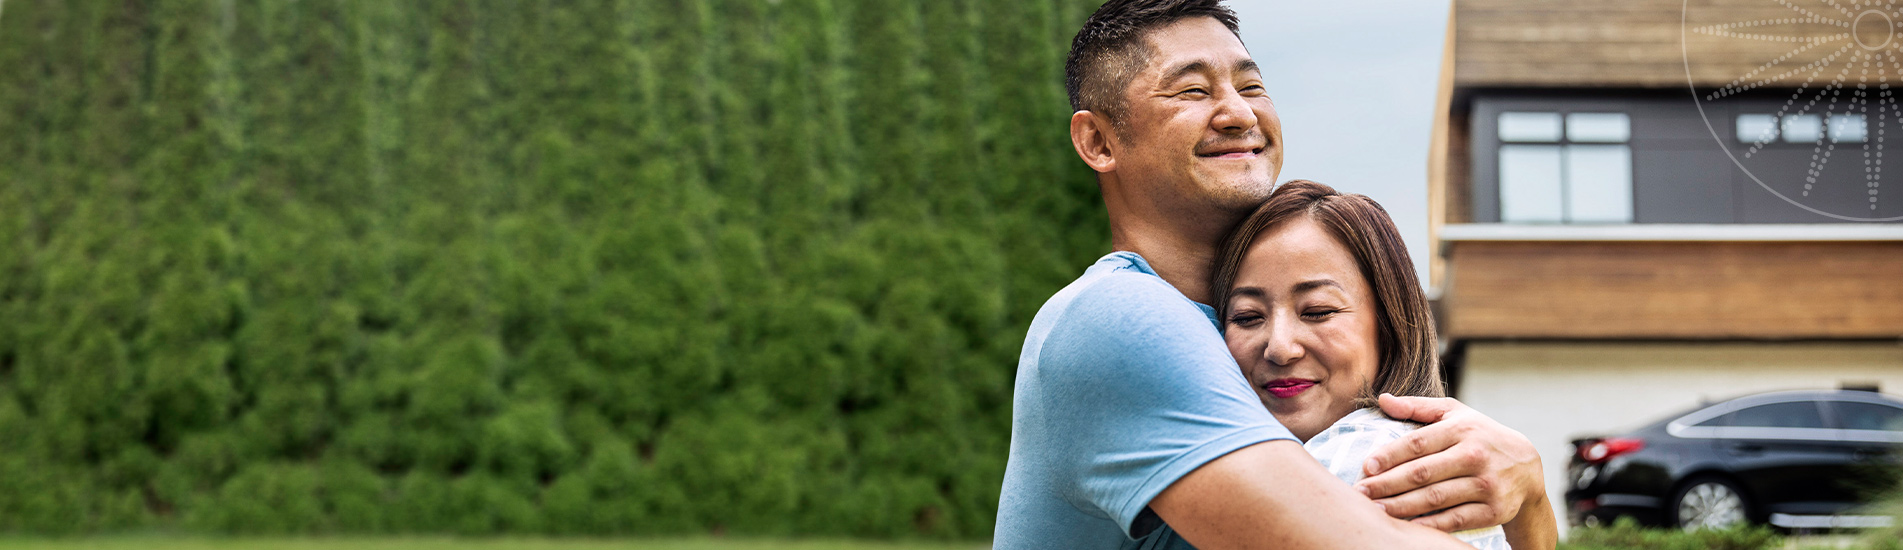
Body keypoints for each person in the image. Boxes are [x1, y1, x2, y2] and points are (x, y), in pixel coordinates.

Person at [994, 1, 1550, 548]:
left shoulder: (1236, 352)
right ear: (1098, 142)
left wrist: (1528, 496)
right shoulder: (1119, 319)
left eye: (1252, 86)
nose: (1239, 114)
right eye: (1191, 90)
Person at [1211, 180, 1556, 550]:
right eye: (1247, 317)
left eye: (1318, 311)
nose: (1280, 348)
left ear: (1388, 325)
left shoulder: (1363, 458)